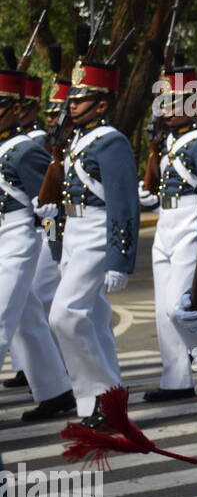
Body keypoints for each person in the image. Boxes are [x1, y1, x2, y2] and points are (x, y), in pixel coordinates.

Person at [36, 57, 138, 427]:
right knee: (95, 322)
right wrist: (56, 242)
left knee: (64, 316)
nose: (71, 105)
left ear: (102, 104)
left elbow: (123, 205)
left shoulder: (110, 141)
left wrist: (119, 259)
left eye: (81, 99)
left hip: (97, 233)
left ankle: (106, 397)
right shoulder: (78, 140)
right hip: (76, 234)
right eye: (72, 99)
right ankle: (106, 404)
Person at [0, 68, 73, 421]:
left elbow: (53, 202)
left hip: (18, 236)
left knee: (0, 319)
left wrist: (59, 250)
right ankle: (56, 389)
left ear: (14, 109)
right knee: (27, 316)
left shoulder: (24, 150)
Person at [138, 65, 197, 401]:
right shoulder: (169, 141)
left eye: (175, 102)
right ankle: (176, 379)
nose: (166, 108)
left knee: (177, 308)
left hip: (189, 220)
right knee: (161, 309)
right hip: (166, 220)